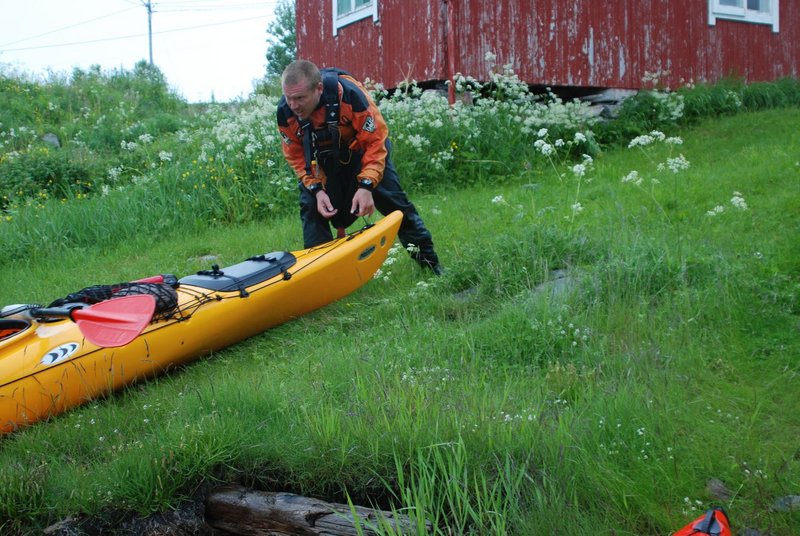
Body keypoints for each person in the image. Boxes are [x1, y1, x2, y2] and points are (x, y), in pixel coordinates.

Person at [276, 59, 442, 275]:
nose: (294, 106)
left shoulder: (349, 94)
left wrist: (366, 186)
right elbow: (296, 155)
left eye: (300, 98)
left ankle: (431, 265)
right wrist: (316, 189)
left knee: (394, 202)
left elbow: (376, 141)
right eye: (289, 98)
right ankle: (321, 277)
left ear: (318, 89)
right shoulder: (285, 112)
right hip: (324, 161)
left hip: (365, 152)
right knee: (311, 206)